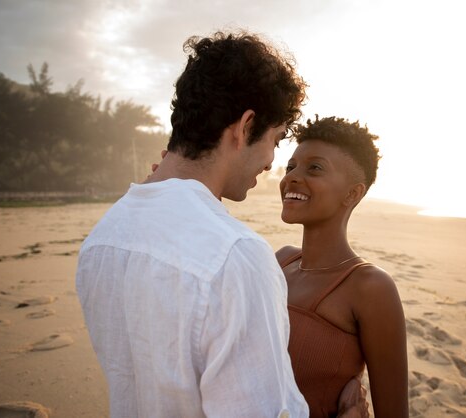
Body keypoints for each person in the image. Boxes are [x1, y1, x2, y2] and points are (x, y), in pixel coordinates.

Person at [76, 31, 310, 417]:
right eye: (276, 139)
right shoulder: (236, 256)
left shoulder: (104, 237)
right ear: (245, 126)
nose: (271, 162)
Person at [276, 116, 409, 417]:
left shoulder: (370, 287)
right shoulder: (280, 261)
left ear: (352, 194)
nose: (292, 177)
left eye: (315, 168)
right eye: (291, 166)